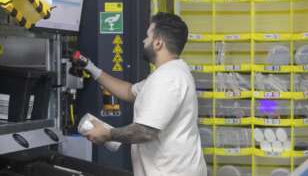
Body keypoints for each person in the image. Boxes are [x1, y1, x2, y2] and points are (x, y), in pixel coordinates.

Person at [72, 12, 207, 176]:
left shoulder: (167, 78)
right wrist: (91, 68)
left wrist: (107, 134)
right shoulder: (173, 71)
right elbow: (129, 91)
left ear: (158, 43)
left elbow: (145, 131)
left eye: (147, 36)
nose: (144, 41)